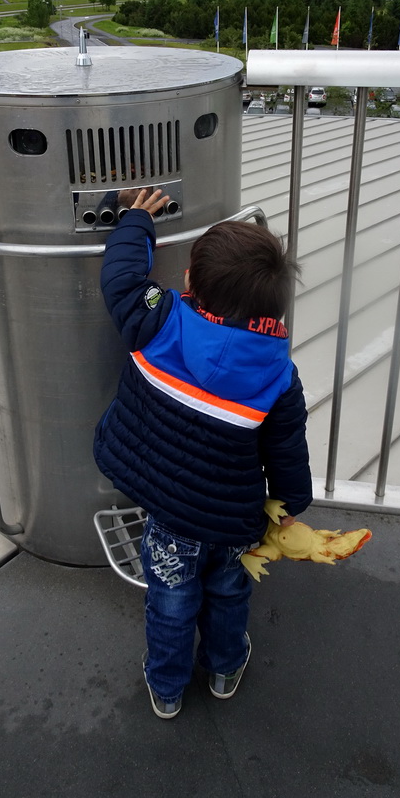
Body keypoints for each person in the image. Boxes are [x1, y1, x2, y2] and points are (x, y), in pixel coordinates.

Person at [93, 188, 313, 719]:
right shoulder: (279, 376)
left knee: (170, 602)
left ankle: (167, 689)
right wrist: (289, 503)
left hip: (169, 515)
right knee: (229, 595)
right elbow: (287, 451)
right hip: (236, 521)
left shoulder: (160, 320)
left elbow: (122, 280)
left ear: (191, 283)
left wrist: (136, 220)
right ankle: (224, 669)